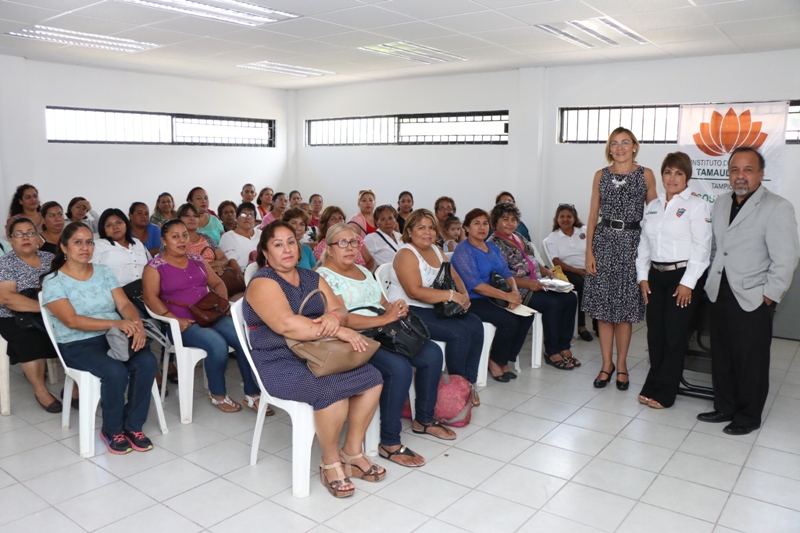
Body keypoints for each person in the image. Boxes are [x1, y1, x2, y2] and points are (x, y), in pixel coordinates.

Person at [244, 222, 385, 497]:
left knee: (372, 377)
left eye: (291, 242)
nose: (287, 249)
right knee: (331, 391)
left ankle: (352, 452)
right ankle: (329, 461)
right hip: (279, 361)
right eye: (278, 244)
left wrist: (334, 318)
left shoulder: (311, 277)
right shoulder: (263, 282)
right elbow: (287, 325)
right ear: (265, 252)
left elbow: (340, 309)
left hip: (318, 351)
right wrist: (338, 330)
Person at [319, 223, 454, 465]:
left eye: (354, 242)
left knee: (432, 353)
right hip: (353, 338)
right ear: (329, 249)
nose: (349, 248)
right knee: (398, 367)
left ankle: (423, 419)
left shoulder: (363, 270)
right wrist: (384, 318)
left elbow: (382, 301)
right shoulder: (323, 277)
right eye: (342, 243)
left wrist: (396, 308)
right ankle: (389, 442)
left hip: (383, 329)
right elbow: (343, 317)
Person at [698, 147, 799, 435]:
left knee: (750, 362)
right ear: (728, 174)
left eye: (748, 170)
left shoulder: (777, 207)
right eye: (734, 170)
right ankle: (724, 407)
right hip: (720, 293)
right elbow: (717, 248)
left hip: (754, 297)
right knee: (723, 356)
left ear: (761, 174)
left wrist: (768, 296)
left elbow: (786, 259)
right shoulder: (719, 203)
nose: (740, 176)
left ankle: (747, 417)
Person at [42, 223, 158, 454]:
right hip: (77, 343)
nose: (85, 247)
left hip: (113, 337)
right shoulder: (53, 281)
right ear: (64, 247)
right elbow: (71, 321)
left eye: (89, 242)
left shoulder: (103, 272)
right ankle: (112, 429)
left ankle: (133, 425)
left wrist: (137, 325)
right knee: (115, 371)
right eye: (78, 242)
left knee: (147, 362)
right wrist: (116, 323)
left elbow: (124, 304)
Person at [143, 219, 264, 414]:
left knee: (243, 338)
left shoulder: (197, 261)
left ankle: (252, 393)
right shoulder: (154, 267)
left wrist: (221, 304)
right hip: (183, 323)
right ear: (164, 241)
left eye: (184, 235)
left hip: (210, 315)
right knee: (217, 345)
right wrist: (173, 319)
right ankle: (217, 394)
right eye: (175, 237)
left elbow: (217, 284)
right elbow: (150, 298)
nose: (182, 240)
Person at [635, 152, 712, 410]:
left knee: (674, 336)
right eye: (668, 172)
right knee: (655, 334)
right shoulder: (654, 205)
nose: (672, 178)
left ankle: (667, 391)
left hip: (683, 277)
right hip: (656, 276)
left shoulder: (697, 205)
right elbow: (644, 244)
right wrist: (643, 277)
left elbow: (703, 248)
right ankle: (652, 382)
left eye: (678, 173)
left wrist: (688, 283)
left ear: (687, 176)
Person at [583, 127, 656, 390]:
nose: (620, 147)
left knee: (625, 312)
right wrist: (589, 250)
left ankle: (622, 365)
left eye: (626, 142)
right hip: (603, 242)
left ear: (635, 146)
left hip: (633, 245)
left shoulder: (645, 174)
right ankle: (606, 365)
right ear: (609, 149)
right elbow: (592, 216)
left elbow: (655, 212)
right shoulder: (600, 175)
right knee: (604, 312)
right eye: (615, 143)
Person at [391, 209, 483, 406]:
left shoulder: (435, 249)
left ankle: (469, 382)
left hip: (432, 306)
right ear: (409, 231)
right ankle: (459, 388)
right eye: (421, 228)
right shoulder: (406, 254)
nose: (428, 232)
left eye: (431, 228)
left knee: (475, 324)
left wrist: (464, 294)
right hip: (408, 311)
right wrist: (452, 295)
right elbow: (414, 291)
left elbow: (454, 274)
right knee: (458, 332)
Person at [488, 202, 579, 370]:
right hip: (519, 290)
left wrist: (550, 274)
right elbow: (500, 276)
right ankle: (551, 351)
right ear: (495, 221)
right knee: (553, 304)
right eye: (505, 219)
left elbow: (534, 261)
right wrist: (529, 284)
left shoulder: (519, 237)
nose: (510, 223)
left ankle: (564, 346)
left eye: (514, 219)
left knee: (570, 297)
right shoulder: (494, 244)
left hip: (538, 283)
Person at [452, 209, 534, 382]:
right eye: (476, 223)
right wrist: (507, 297)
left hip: (498, 296)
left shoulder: (492, 247)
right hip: (474, 300)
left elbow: (506, 271)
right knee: (509, 321)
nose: (482, 227)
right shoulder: (463, 251)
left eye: (485, 223)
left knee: (526, 316)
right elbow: (476, 285)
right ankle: (495, 361)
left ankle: (504, 358)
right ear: (466, 227)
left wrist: (514, 292)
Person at [0, 218, 61, 412]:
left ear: (37, 237)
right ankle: (40, 390)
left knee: (78, 331)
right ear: (10, 239)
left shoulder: (49, 258)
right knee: (29, 337)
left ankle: (76, 389)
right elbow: (7, 298)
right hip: (12, 316)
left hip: (50, 311)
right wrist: (46, 308)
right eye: (19, 233)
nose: (25, 237)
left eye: (30, 232)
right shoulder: (6, 263)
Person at [544, 203, 596, 341]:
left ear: (574, 218)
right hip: (567, 270)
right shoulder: (553, 237)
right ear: (557, 218)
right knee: (580, 284)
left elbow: (595, 249)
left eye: (569, 216)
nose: (565, 219)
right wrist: (577, 271)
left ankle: (599, 323)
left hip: (588, 267)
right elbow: (555, 261)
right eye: (562, 216)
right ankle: (581, 326)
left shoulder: (583, 230)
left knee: (601, 281)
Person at [92, 209, 151, 287]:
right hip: (115, 293)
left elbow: (151, 265)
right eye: (109, 225)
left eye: (119, 222)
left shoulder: (137, 243)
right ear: (103, 229)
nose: (115, 227)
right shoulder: (98, 245)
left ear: (126, 224)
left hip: (144, 291)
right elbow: (90, 275)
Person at [312, 207, 376, 271]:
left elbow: (370, 260)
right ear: (325, 225)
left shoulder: (356, 237)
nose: (338, 221)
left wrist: (368, 276)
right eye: (333, 219)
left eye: (341, 218)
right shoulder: (321, 247)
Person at [175, 203, 230, 276]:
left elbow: (224, 259)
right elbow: (174, 266)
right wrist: (208, 267)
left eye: (195, 216)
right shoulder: (174, 241)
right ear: (179, 219)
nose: (192, 218)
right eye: (187, 215)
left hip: (215, 276)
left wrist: (215, 265)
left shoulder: (206, 237)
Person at [219, 202, 261, 272]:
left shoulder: (261, 234)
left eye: (251, 215)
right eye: (243, 214)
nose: (247, 218)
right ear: (236, 217)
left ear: (254, 220)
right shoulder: (228, 236)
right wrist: (243, 280)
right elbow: (231, 260)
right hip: (242, 273)